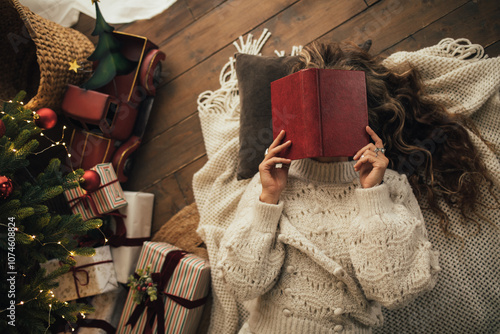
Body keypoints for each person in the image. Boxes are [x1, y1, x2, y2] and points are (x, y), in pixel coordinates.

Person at [216, 42, 442, 334]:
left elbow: (395, 291)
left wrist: (373, 197)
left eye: (337, 107)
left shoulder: (391, 184)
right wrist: (268, 199)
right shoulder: (270, 180)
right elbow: (240, 283)